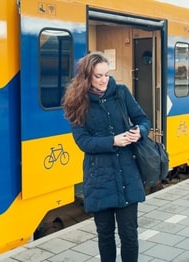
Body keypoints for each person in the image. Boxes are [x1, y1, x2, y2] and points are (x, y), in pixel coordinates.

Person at [62, 52, 151, 262]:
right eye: (98, 76)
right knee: (105, 235)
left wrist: (140, 131)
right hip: (98, 178)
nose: (104, 80)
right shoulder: (77, 102)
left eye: (107, 74)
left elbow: (143, 119)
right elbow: (82, 141)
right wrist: (113, 141)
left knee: (129, 235)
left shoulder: (121, 92)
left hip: (127, 175)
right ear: (87, 77)